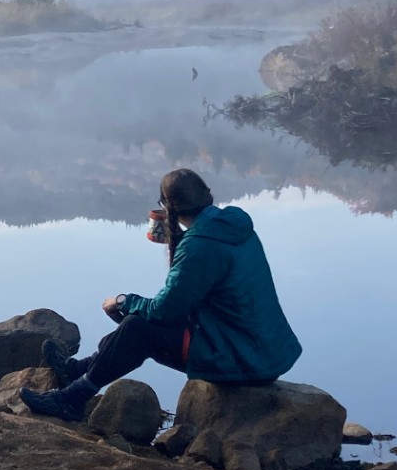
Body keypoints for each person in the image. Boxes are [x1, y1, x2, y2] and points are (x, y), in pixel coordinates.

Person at [21, 169, 302, 422]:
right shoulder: (231, 227)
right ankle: (78, 370)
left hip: (240, 359)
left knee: (138, 327)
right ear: (207, 196)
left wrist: (123, 300)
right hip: (258, 348)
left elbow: (164, 310)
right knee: (139, 321)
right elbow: (185, 300)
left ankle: (71, 399)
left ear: (167, 207)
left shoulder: (200, 246)